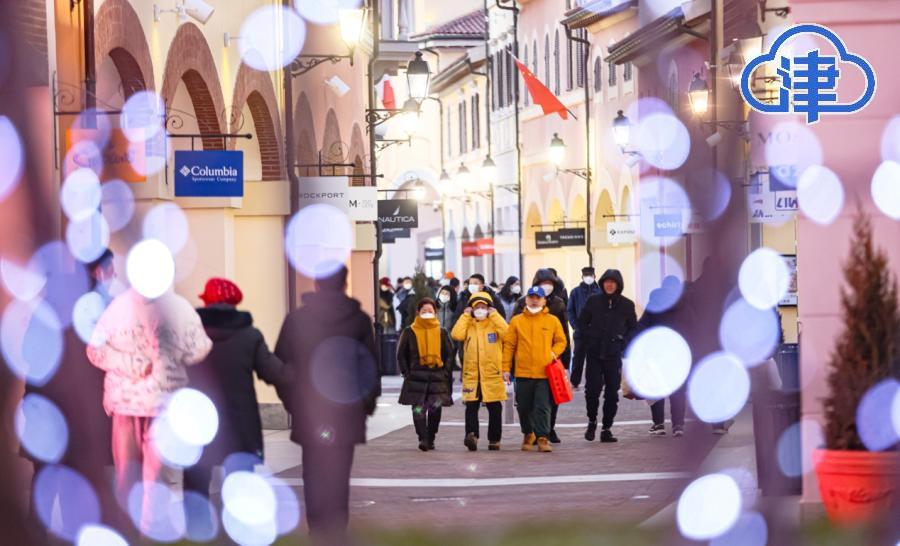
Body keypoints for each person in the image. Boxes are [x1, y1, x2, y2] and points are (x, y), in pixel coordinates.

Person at [87, 282, 212, 533]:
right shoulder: (173, 307)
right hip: (146, 403)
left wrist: (131, 362)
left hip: (141, 403)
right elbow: (200, 347)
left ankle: (134, 531)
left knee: (132, 476)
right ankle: (145, 530)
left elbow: (95, 349)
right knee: (153, 478)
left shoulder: (122, 307)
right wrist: (142, 361)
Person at [274, 266, 380, 543]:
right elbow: (369, 365)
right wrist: (366, 405)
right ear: (345, 284)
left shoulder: (296, 320)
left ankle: (318, 529)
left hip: (310, 410)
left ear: (317, 284)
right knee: (339, 473)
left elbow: (282, 367)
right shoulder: (358, 320)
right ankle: (335, 531)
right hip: (347, 411)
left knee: (313, 471)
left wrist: (293, 403)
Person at [26, 249, 123, 541]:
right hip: (81, 408)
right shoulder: (99, 312)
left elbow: (27, 355)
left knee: (45, 477)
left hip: (43, 408)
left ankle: (33, 533)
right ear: (97, 272)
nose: (114, 275)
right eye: (110, 269)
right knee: (76, 478)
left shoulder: (45, 307)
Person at [184, 278, 286, 533]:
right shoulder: (250, 335)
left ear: (206, 301)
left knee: (196, 485)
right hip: (240, 424)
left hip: (199, 422)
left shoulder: (192, 335)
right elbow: (273, 372)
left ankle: (198, 532)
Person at [503, 287, 567, 453]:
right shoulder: (517, 321)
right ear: (526, 300)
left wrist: (552, 353)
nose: (534, 300)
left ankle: (542, 438)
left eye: (538, 298)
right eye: (531, 297)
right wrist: (505, 368)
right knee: (523, 407)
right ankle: (528, 433)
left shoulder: (552, 320)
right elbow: (509, 345)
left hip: (545, 373)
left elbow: (561, 341)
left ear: (544, 301)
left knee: (542, 407)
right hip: (522, 372)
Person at [578, 269, 637, 443]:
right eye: (606, 281)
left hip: (613, 354)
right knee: (592, 390)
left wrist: (622, 341)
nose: (609, 285)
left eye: (613, 282)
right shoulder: (593, 301)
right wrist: (589, 337)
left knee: (612, 393)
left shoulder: (627, 304)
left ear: (618, 285)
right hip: (595, 352)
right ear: (602, 283)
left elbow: (633, 328)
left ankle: (606, 428)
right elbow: (582, 322)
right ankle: (592, 420)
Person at [513, 269, 571, 443]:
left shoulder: (559, 304)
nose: (547, 287)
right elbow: (513, 335)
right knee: (526, 401)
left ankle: (547, 430)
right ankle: (531, 430)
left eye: (550, 283)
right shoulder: (522, 303)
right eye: (543, 283)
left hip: (551, 359)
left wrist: (563, 358)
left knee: (551, 398)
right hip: (526, 360)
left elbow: (564, 335)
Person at [451, 292, 509, 451]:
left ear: (489, 308)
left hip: (492, 373)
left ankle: (494, 439)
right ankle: (472, 435)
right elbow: (456, 334)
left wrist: (495, 315)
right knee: (471, 407)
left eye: (484, 306)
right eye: (477, 307)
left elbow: (508, 334)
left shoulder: (494, 324)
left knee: (495, 407)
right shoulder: (468, 324)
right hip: (472, 374)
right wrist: (465, 316)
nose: (480, 309)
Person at [636, 277, 691, 437]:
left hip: (656, 351)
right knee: (678, 390)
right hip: (678, 353)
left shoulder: (655, 303)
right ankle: (678, 425)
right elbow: (692, 326)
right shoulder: (685, 305)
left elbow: (642, 325)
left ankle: (659, 423)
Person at [397, 298, 455, 451]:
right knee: (418, 409)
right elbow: (401, 354)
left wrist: (446, 371)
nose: (427, 314)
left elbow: (449, 354)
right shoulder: (410, 331)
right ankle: (422, 437)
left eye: (430, 311)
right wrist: (407, 373)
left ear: (435, 313)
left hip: (437, 378)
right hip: (416, 378)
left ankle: (431, 437)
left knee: (435, 410)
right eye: (424, 311)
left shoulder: (442, 332)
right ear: (418, 313)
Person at [567, 267, 601, 389]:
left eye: (590, 275)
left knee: (596, 358)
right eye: (586, 275)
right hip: (581, 332)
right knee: (578, 358)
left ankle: (595, 381)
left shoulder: (600, 292)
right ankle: (575, 381)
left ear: (594, 276)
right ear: (582, 277)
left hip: (597, 332)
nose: (588, 277)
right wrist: (576, 326)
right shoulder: (575, 292)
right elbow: (570, 311)